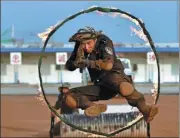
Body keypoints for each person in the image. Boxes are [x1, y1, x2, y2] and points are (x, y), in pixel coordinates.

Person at [63, 26, 158, 123]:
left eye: (89, 43)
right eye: (83, 45)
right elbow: (68, 66)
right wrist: (75, 63)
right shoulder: (79, 47)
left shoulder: (104, 41)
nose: (86, 47)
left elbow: (108, 65)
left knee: (124, 88)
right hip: (100, 84)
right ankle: (92, 107)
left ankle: (145, 109)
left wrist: (88, 62)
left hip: (113, 75)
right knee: (69, 97)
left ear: (95, 39)